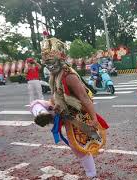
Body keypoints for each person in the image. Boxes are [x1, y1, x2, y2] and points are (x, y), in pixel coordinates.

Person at [32, 37, 108, 179]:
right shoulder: (55, 76)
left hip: (76, 116)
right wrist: (52, 107)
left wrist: (94, 118)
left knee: (78, 147)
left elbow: (84, 97)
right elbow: (56, 95)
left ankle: (92, 175)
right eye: (46, 63)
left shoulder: (69, 76)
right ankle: (43, 115)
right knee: (35, 104)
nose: (49, 66)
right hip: (61, 111)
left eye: (52, 62)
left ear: (61, 59)